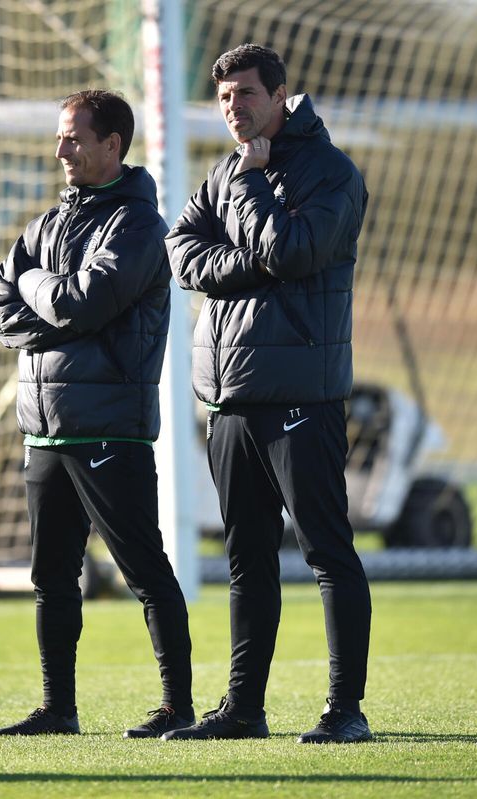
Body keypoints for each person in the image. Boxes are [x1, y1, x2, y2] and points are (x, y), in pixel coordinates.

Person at [162, 44, 371, 743]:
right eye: (224, 98)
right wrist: (244, 261)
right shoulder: (225, 171)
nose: (234, 107)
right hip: (230, 400)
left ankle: (346, 710)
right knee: (246, 559)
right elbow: (182, 251)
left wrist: (251, 191)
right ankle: (243, 710)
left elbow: (295, 252)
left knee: (326, 553)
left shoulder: (330, 172)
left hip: (301, 398)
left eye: (247, 94)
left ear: (282, 96)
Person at [0, 89, 194, 739]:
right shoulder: (46, 224)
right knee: (51, 576)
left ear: (113, 145)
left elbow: (80, 301)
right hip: (44, 428)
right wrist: (44, 305)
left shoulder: (137, 226)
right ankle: (58, 708)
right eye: (60, 137)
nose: (61, 149)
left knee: (146, 571)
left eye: (74, 137)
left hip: (108, 428)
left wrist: (32, 288)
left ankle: (177, 706)